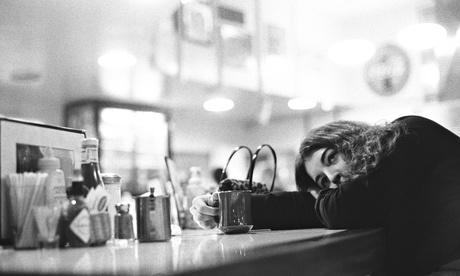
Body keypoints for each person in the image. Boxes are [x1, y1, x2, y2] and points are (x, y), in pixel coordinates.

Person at [189, 115, 460, 275]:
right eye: (322, 181)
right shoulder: (369, 189)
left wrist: (322, 198)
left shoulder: (406, 133)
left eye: (331, 159)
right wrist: (227, 207)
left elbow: (342, 207)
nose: (333, 178)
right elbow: (316, 207)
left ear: (348, 138)